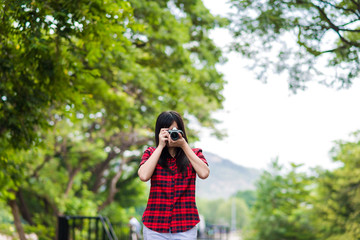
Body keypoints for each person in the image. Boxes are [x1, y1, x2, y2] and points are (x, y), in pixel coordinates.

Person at [138, 111, 210, 240]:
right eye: (168, 131)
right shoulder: (151, 153)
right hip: (155, 225)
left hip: (186, 225)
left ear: (182, 131)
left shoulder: (194, 154)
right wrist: (160, 146)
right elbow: (143, 176)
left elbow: (204, 173)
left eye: (175, 130)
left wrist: (183, 145)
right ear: (159, 132)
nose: (172, 134)